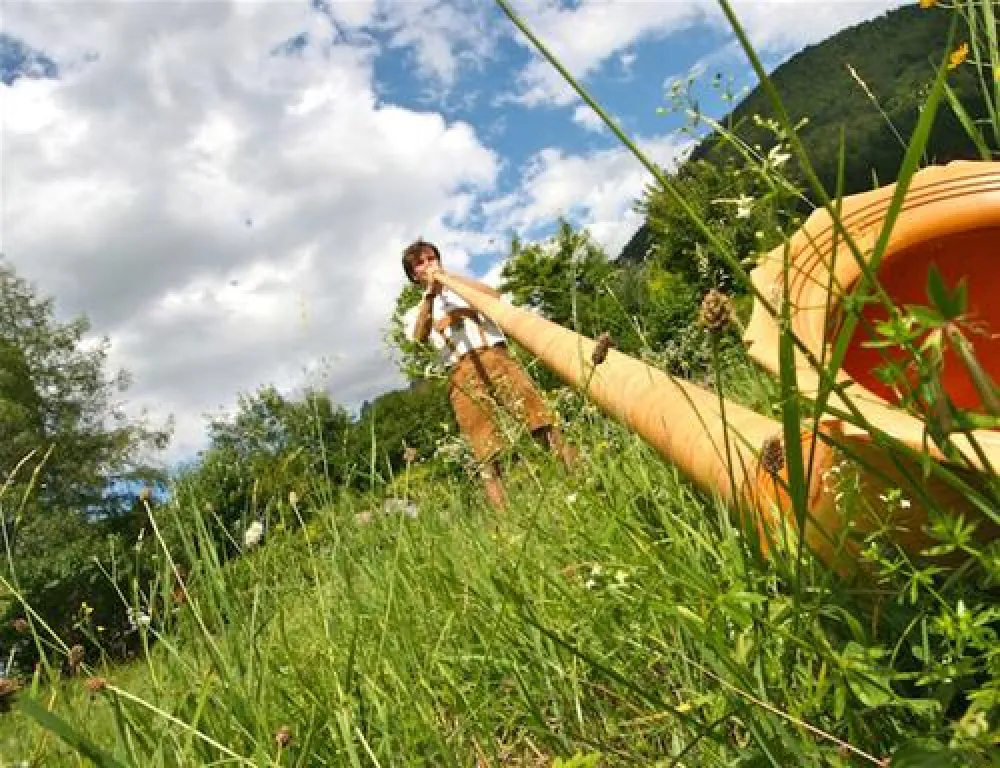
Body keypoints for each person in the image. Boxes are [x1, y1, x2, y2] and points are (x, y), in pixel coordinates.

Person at [401, 238, 575, 509]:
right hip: (461, 373)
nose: (428, 265)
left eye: (431, 258)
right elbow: (418, 336)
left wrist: (448, 280)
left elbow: (494, 297)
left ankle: (578, 481)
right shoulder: (415, 311)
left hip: (496, 358)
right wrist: (430, 296)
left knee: (539, 419)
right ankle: (505, 521)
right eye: (420, 264)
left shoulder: (463, 288)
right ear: (414, 275)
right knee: (485, 450)